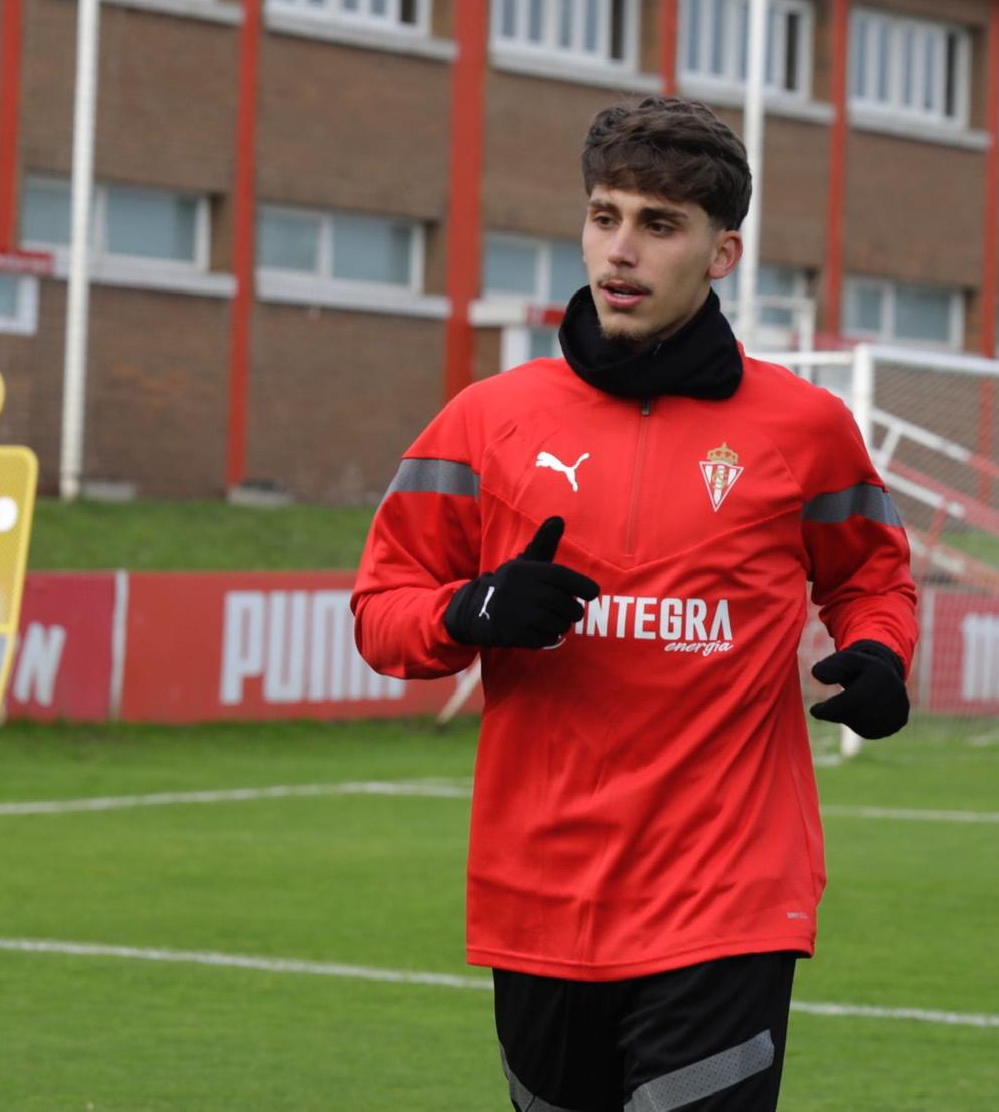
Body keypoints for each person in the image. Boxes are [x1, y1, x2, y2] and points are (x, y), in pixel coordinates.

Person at [351, 96, 918, 1111]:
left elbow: (868, 576)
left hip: (728, 893)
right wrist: (469, 612)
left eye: (658, 226)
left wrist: (878, 654)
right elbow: (381, 608)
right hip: (539, 894)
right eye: (604, 215)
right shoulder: (486, 421)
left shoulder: (807, 427)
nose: (621, 250)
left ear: (721, 252)